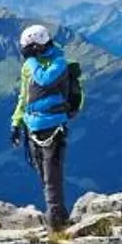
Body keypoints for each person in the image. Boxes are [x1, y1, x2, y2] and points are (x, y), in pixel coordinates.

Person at [10, 22, 83, 230]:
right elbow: (24, 97)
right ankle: (59, 214)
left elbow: (44, 80)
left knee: (52, 175)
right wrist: (16, 122)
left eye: (27, 48)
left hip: (53, 127)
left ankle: (56, 222)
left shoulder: (58, 63)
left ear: (36, 46)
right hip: (32, 126)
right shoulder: (29, 65)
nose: (24, 52)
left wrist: (31, 60)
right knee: (43, 173)